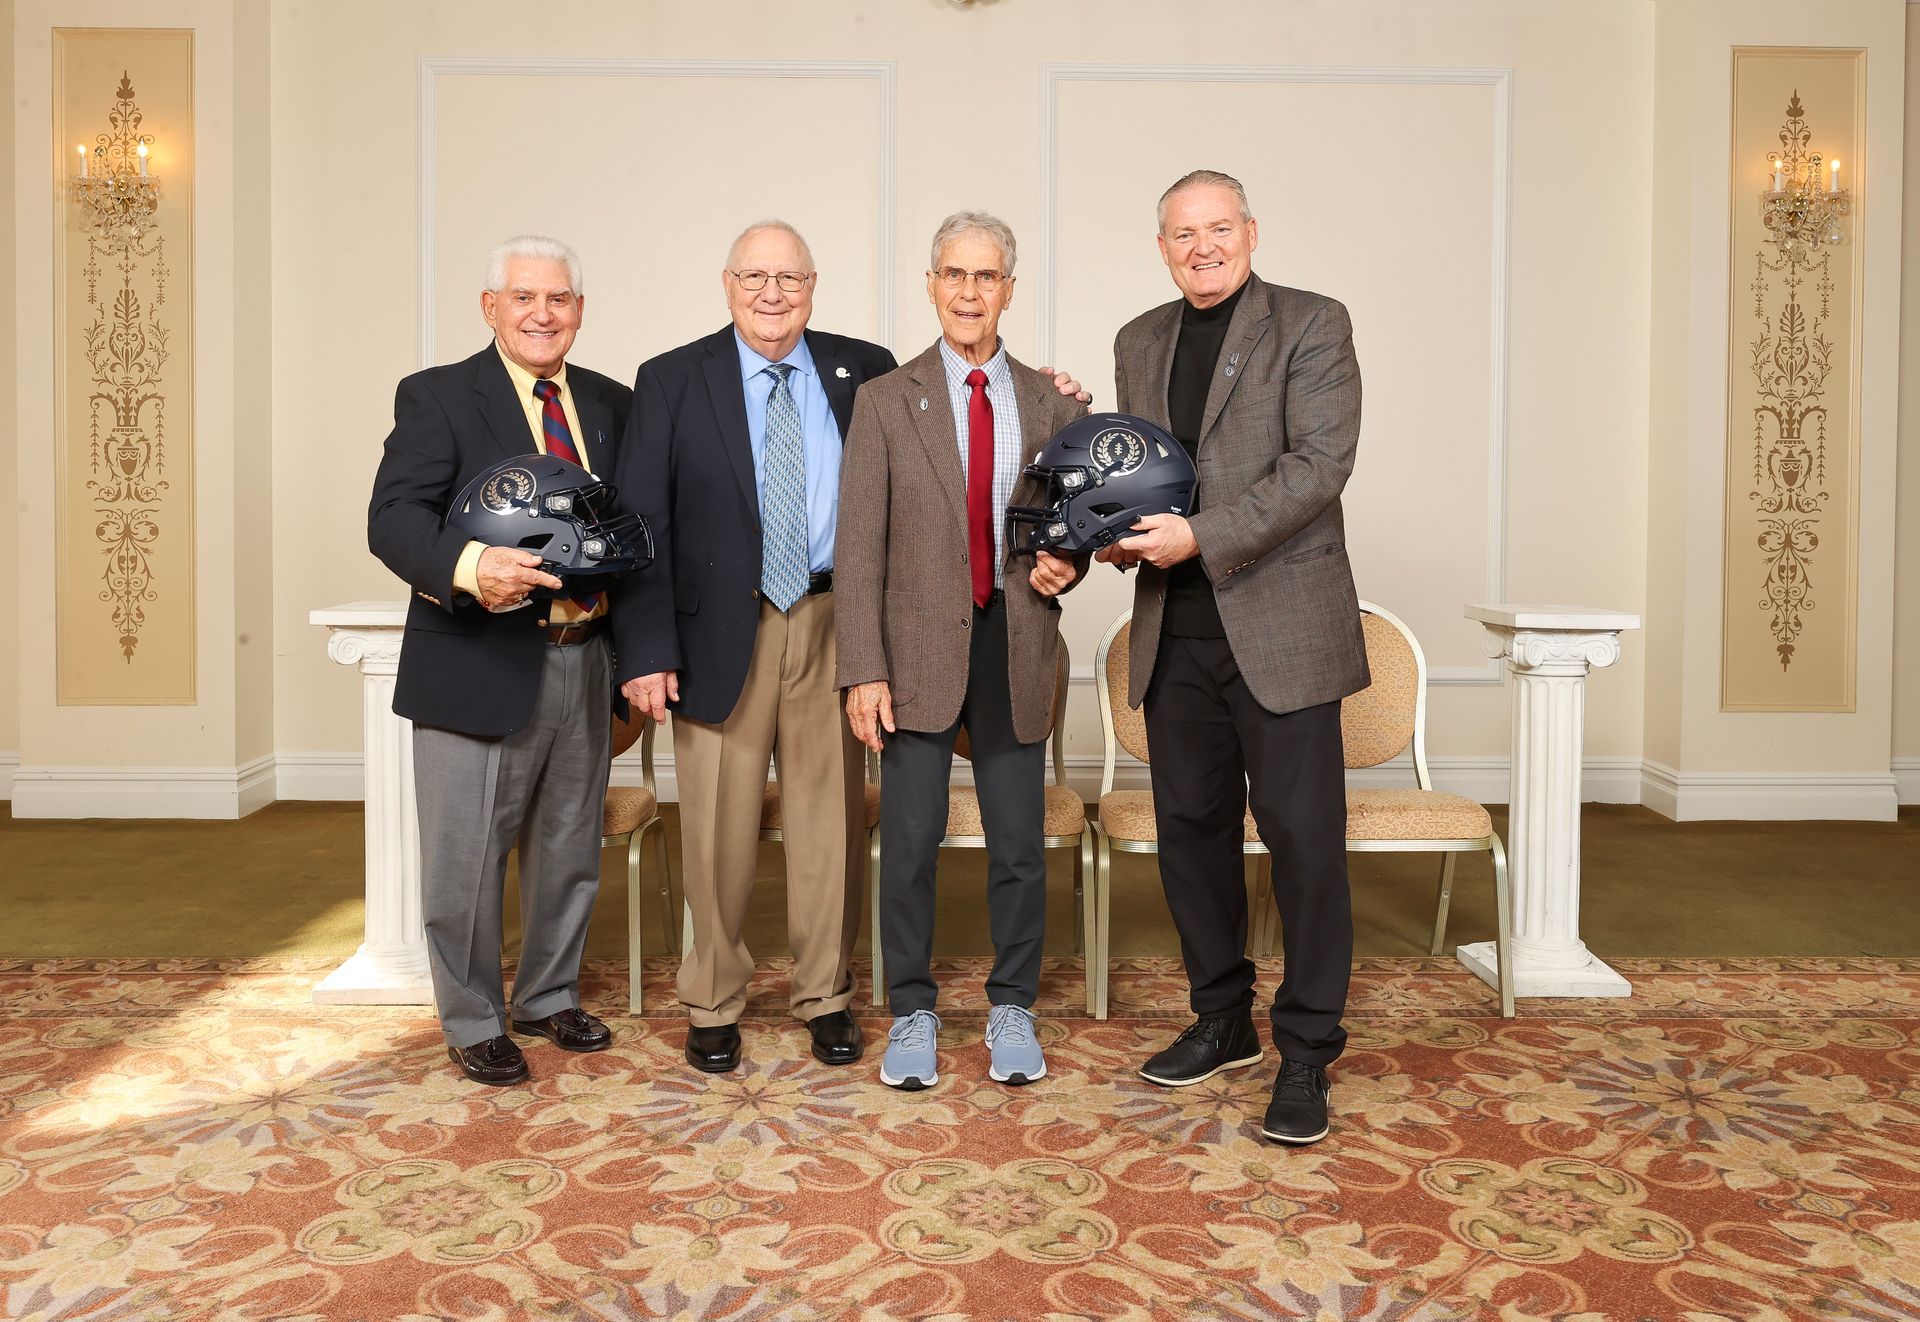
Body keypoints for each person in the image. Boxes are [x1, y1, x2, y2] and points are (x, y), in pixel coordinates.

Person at [614, 221, 1090, 1075]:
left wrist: (1062, 400)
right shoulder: (673, 379)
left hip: (835, 616)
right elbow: (643, 521)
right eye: (755, 278)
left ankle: (826, 995)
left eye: (789, 279)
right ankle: (714, 999)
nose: (772, 294)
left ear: (813, 286)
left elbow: (983, 458)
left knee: (829, 821)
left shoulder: (860, 369)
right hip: (721, 628)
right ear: (727, 283)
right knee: (719, 827)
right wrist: (647, 647)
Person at [1096, 170, 1369, 1145]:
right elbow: (1141, 473)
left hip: (1283, 630)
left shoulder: (1312, 322)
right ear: (1161, 247)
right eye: (1183, 233)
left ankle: (1306, 1049)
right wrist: (1111, 529)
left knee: (1305, 845)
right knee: (1192, 838)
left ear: (1251, 231)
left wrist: (1198, 537)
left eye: (1218, 228)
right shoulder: (1138, 339)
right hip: (1176, 631)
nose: (1202, 246)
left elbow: (1318, 466)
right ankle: (1222, 1018)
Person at [368, 235, 632, 1086]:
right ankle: (473, 1017)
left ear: (579, 310)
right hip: (478, 659)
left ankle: (548, 995)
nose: (541, 314)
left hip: (585, 656)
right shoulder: (440, 396)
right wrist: (470, 566)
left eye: (558, 299)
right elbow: (393, 518)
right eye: (523, 297)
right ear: (491, 307)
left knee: (569, 846)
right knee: (466, 858)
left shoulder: (612, 403)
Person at [835, 210, 1089, 1091]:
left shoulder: (1055, 403)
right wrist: (863, 668)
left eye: (986, 277)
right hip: (912, 653)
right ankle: (912, 1009)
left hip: (1015, 642)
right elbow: (858, 549)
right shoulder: (884, 401)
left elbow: (1074, 527)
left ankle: (1012, 1004)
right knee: (910, 840)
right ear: (932, 285)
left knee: (1019, 842)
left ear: (1008, 290)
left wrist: (1067, 563)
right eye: (955, 274)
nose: (969, 292)